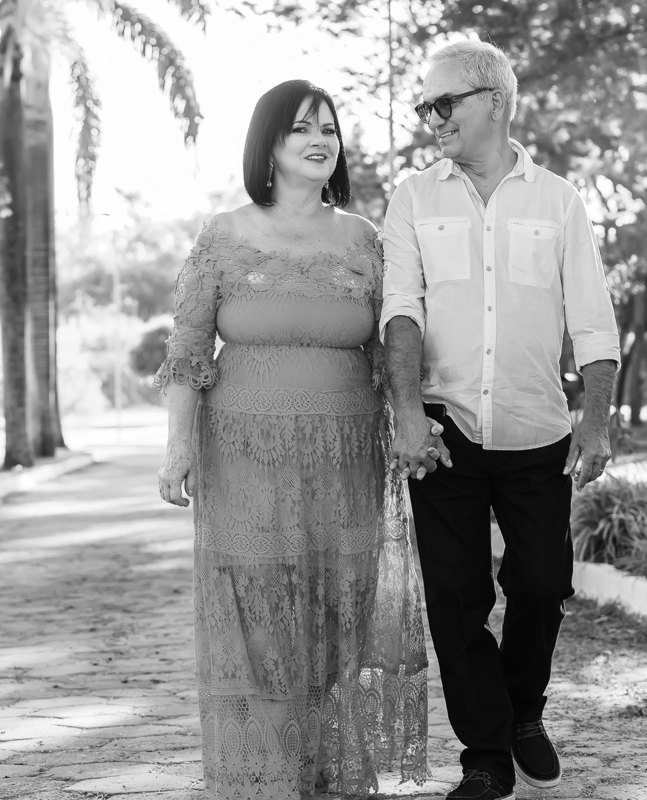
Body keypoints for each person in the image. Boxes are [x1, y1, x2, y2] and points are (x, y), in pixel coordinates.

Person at [155, 79, 428, 800]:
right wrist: (179, 446)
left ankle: (323, 763)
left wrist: (413, 422)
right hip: (244, 458)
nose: (319, 140)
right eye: (302, 128)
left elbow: (391, 350)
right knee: (263, 609)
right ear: (268, 145)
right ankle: (273, 772)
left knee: (340, 609)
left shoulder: (365, 240)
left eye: (329, 130)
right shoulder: (224, 234)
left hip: (347, 460)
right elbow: (187, 349)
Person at [381, 41, 621, 800]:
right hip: (444, 430)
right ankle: (485, 756)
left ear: (493, 101)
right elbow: (401, 310)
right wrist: (407, 414)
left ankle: (523, 711)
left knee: (543, 583)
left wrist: (595, 422)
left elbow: (593, 321)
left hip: (536, 426)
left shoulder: (559, 201)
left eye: (442, 102)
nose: (431, 118)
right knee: (456, 600)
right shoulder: (414, 198)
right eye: (424, 105)